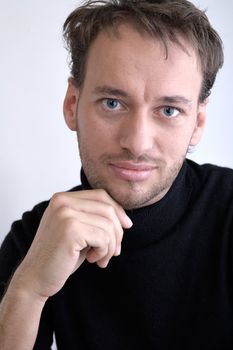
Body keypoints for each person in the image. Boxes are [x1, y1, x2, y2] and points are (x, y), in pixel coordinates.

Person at [0, 0, 232, 349]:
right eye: (112, 102)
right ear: (72, 105)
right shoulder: (36, 239)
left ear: (198, 122)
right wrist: (28, 290)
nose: (137, 143)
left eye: (169, 110)